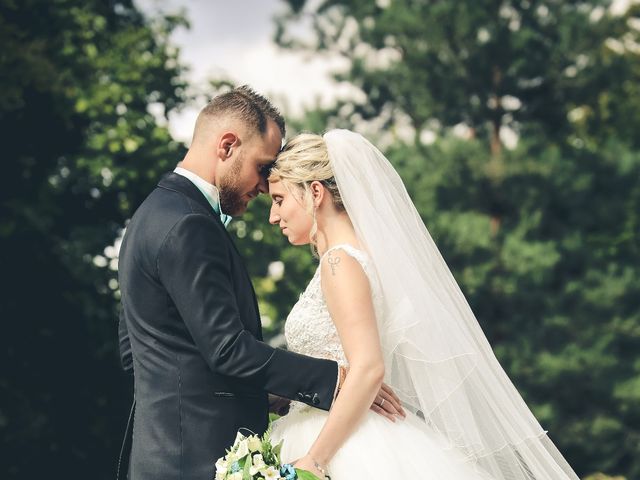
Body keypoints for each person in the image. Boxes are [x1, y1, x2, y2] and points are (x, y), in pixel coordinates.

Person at [116, 88, 403, 480]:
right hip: (195, 458)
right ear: (228, 146)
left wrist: (275, 396)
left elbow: (136, 351)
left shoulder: (150, 216)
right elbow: (226, 348)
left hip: (160, 455)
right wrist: (333, 379)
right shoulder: (189, 225)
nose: (264, 184)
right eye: (262, 166)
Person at [268, 130, 580, 480]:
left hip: (340, 442)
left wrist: (314, 460)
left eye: (279, 200)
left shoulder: (339, 264)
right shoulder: (355, 258)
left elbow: (369, 368)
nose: (273, 216)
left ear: (314, 191)